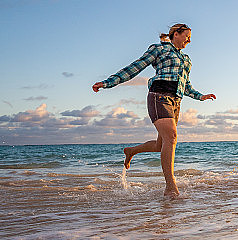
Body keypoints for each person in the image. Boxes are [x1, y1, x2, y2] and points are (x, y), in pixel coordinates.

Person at [92, 23, 215, 198]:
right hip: (159, 95)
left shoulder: (187, 60)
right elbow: (135, 68)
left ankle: (131, 151)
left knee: (161, 145)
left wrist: (200, 96)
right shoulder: (159, 49)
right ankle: (171, 187)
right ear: (175, 34)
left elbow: (186, 85)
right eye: (187, 35)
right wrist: (107, 83)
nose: (189, 40)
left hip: (176, 102)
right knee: (171, 137)